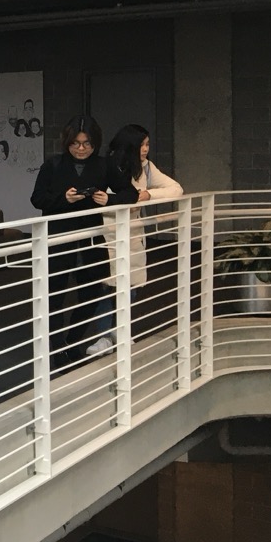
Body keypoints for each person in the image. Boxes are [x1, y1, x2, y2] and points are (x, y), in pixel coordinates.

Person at [30, 115, 138, 363]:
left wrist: (108, 200)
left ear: (95, 143)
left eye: (86, 144)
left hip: (91, 242)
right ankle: (56, 349)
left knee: (92, 293)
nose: (81, 149)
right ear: (67, 143)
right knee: (54, 296)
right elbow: (37, 199)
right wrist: (64, 199)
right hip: (58, 239)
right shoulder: (53, 165)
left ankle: (72, 339)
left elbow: (130, 192)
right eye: (75, 143)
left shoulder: (103, 166)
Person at [104, 124, 184, 334]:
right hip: (108, 231)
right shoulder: (108, 165)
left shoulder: (146, 167)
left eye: (148, 144)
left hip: (133, 232)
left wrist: (149, 195)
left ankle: (119, 331)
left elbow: (176, 189)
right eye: (142, 144)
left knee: (132, 283)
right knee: (107, 285)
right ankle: (103, 335)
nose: (146, 149)